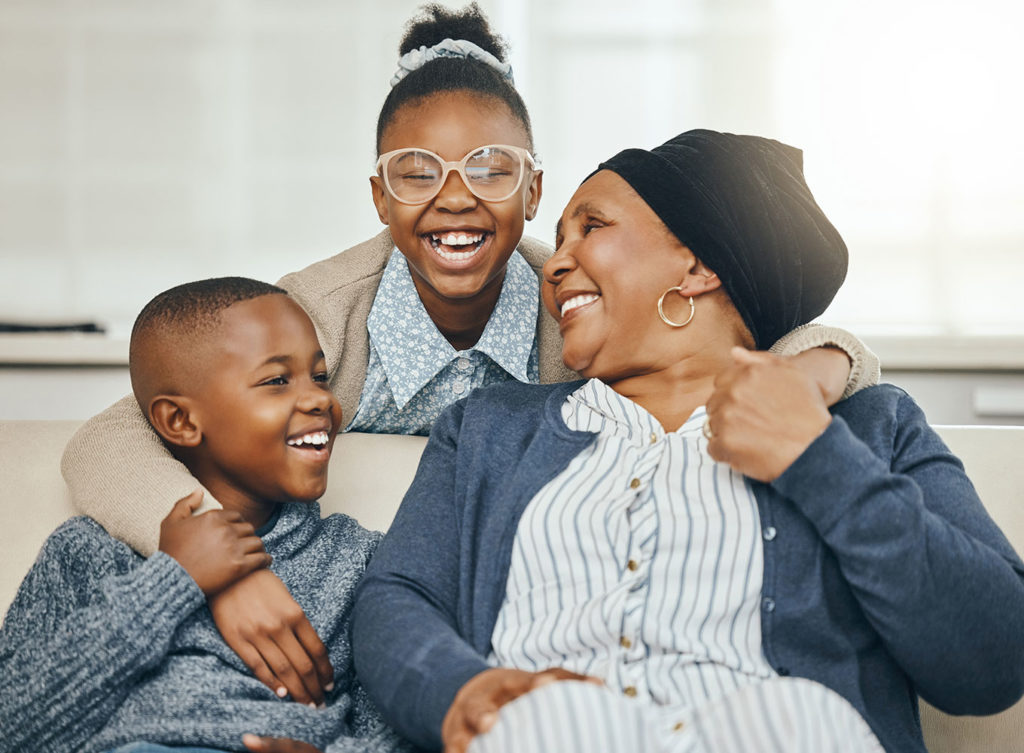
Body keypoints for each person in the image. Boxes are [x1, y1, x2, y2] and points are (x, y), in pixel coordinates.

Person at [59, 3, 877, 707]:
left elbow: (759, 328)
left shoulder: (582, 312)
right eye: (417, 173)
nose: (455, 196)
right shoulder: (316, 316)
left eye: (491, 169)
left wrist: (816, 368)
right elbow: (108, 438)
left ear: (534, 192)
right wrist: (227, 571)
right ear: (379, 198)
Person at [350, 130, 1024, 753]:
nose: (556, 264)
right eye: (559, 239)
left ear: (699, 264)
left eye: (592, 226)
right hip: (554, 734)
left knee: (789, 713)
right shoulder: (490, 428)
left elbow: (994, 658)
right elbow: (396, 596)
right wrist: (460, 690)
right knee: (555, 720)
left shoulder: (866, 426)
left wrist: (821, 461)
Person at [0, 278, 410, 753]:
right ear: (181, 422)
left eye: (319, 377)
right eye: (277, 380)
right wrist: (172, 582)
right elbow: (13, 726)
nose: (321, 399)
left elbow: (403, 719)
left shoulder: (360, 562)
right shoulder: (87, 553)